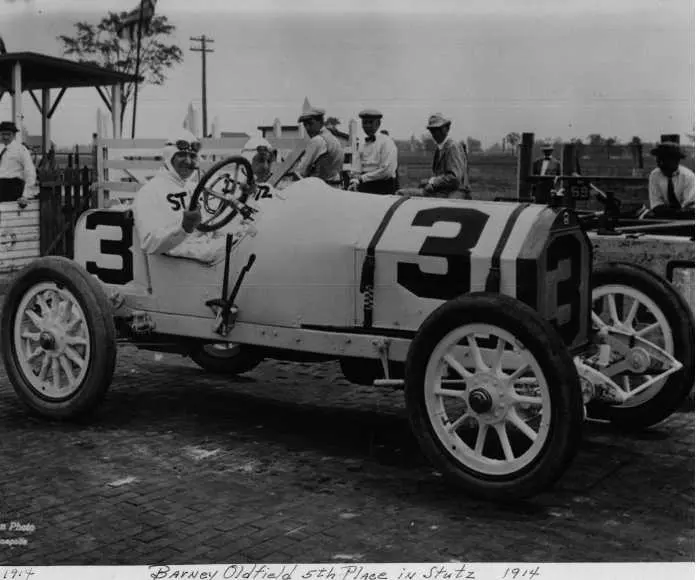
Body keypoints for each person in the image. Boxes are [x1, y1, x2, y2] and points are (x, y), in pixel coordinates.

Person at [133, 130, 246, 264]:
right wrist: (184, 228)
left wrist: (241, 196)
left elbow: (212, 218)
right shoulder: (149, 192)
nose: (188, 161)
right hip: (177, 265)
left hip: (204, 254)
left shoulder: (193, 187)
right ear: (169, 157)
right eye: (181, 155)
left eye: (193, 156)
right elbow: (148, 243)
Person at [420, 113, 470, 199]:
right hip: (444, 190)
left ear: (446, 129)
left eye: (437, 129)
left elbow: (454, 178)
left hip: (457, 191)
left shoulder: (452, 147)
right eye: (432, 130)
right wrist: (430, 181)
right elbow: (441, 176)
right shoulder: (440, 148)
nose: (434, 133)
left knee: (403, 193)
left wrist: (433, 182)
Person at [348, 109, 398, 195]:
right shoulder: (361, 144)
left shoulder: (387, 142)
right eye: (364, 123)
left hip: (383, 186)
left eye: (370, 122)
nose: (367, 126)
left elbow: (387, 171)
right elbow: (356, 167)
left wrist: (362, 178)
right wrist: (354, 181)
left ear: (378, 124)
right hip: (364, 185)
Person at [294, 107, 344, 187]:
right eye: (305, 125)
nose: (307, 128)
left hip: (320, 189)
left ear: (321, 122)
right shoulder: (334, 139)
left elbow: (301, 171)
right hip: (336, 187)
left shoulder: (317, 140)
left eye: (310, 123)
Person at [644, 141, 694, 218]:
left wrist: (677, 213)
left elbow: (689, 206)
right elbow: (656, 204)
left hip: (686, 217)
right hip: (664, 215)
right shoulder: (655, 175)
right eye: (659, 158)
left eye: (665, 159)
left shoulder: (688, 177)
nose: (661, 163)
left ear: (677, 160)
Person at [0, 120, 37, 206]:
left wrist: (26, 195)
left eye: (8, 134)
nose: (5, 137)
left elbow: (30, 172)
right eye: (3, 134)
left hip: (12, 188)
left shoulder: (21, 150)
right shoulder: (0, 148)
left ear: (14, 135)